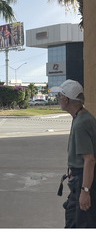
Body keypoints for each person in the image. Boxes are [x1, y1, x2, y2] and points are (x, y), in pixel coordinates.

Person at [52, 79, 96, 228]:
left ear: (66, 99)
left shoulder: (81, 124)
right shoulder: (81, 117)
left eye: (59, 95)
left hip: (83, 182)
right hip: (80, 178)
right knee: (73, 220)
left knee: (82, 224)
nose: (57, 98)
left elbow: (89, 160)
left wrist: (85, 191)